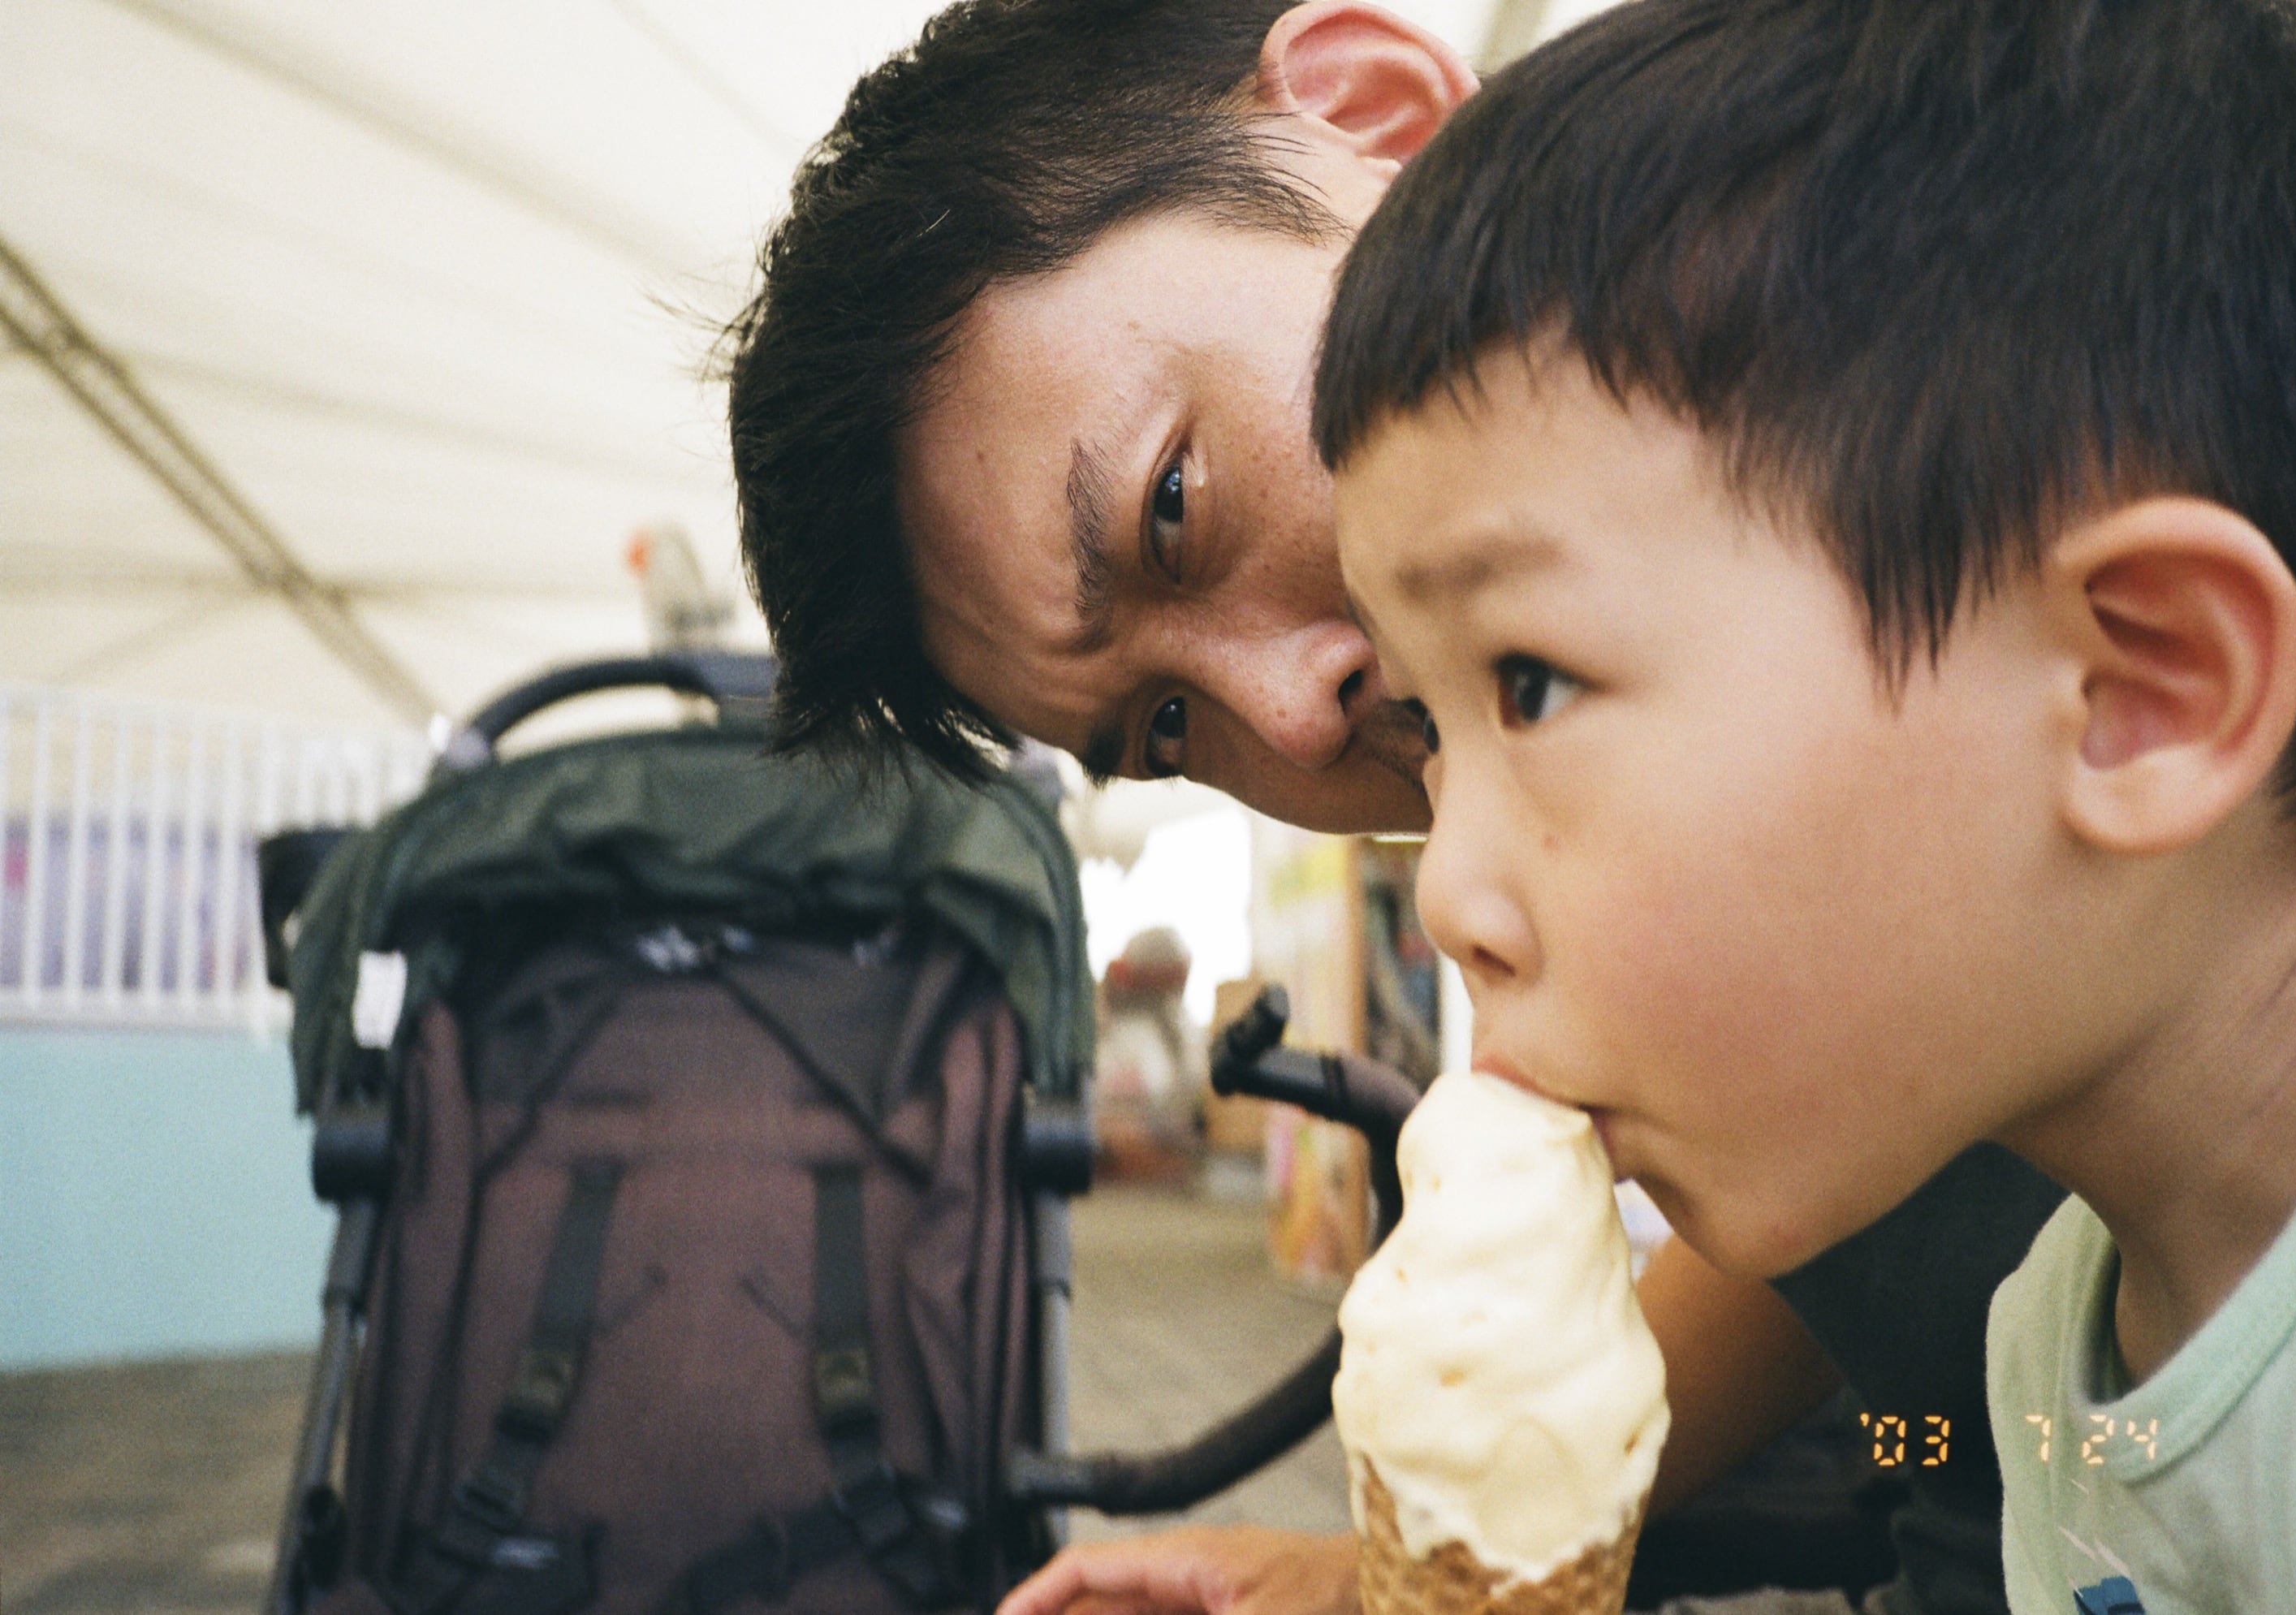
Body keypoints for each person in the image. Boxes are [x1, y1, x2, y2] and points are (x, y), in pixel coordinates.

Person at [722, 4, 2065, 1612]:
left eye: (1174, 501)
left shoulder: (2253, 373)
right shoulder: (1628, 870)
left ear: (1381, 118)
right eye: (1164, 726)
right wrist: (1395, 1561)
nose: (1287, 716)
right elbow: (1899, 1257)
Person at [1302, 0, 2296, 1608]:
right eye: (1430, 726)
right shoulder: (2057, 1328)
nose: (1445, 895)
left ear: (2141, 688)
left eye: (1531, 682)